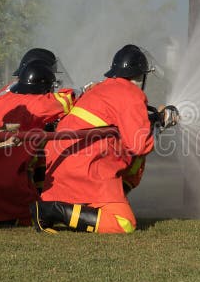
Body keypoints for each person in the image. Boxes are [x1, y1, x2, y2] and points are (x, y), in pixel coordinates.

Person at [31, 44, 178, 234]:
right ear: (140, 76)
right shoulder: (131, 94)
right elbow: (140, 145)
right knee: (124, 223)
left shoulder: (100, 88)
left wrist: (153, 121)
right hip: (87, 171)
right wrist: (161, 124)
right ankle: (54, 211)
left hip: (63, 170)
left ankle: (66, 206)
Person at [0, 60, 74, 226]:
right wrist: (83, 90)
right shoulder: (37, 102)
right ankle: (6, 216)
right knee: (35, 210)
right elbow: (64, 102)